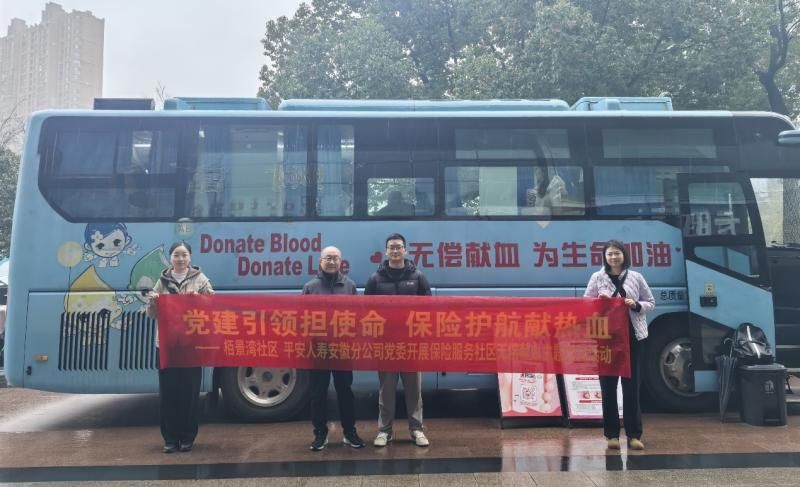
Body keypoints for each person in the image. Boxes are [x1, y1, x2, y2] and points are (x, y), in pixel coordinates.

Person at [584, 240, 655, 451]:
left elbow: (651, 302)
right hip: (606, 338)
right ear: (605, 257)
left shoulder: (636, 277)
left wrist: (636, 305)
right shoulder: (597, 278)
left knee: (631, 387)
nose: (613, 257)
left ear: (624, 255)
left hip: (633, 338)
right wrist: (599, 301)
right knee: (608, 387)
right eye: (610, 254)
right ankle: (612, 435)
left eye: (617, 253)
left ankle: (634, 435)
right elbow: (586, 303)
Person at [146, 241, 214, 454]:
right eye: (176, 255)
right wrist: (154, 302)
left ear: (190, 257)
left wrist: (199, 300)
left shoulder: (200, 279)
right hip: (166, 345)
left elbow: (213, 307)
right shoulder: (162, 281)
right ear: (170, 258)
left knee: (190, 392)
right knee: (168, 393)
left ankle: (187, 437)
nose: (180, 259)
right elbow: (152, 315)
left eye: (184, 254)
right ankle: (170, 439)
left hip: (191, 345)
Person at [365, 233, 431, 447]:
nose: (395, 251)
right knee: (386, 391)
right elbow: (366, 311)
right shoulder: (375, 279)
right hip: (386, 344)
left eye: (399, 247)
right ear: (386, 251)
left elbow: (429, 309)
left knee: (414, 390)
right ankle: (385, 431)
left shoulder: (418, 277)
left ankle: (416, 430)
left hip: (411, 344)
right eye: (391, 247)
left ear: (405, 250)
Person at [302, 246, 365, 451]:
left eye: (335, 258)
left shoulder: (349, 286)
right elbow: (302, 318)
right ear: (320, 261)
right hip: (318, 348)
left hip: (342, 348)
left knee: (345, 392)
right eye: (328, 258)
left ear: (341, 261)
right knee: (317, 393)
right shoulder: (310, 287)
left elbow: (357, 316)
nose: (332, 262)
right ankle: (320, 434)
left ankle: (350, 432)